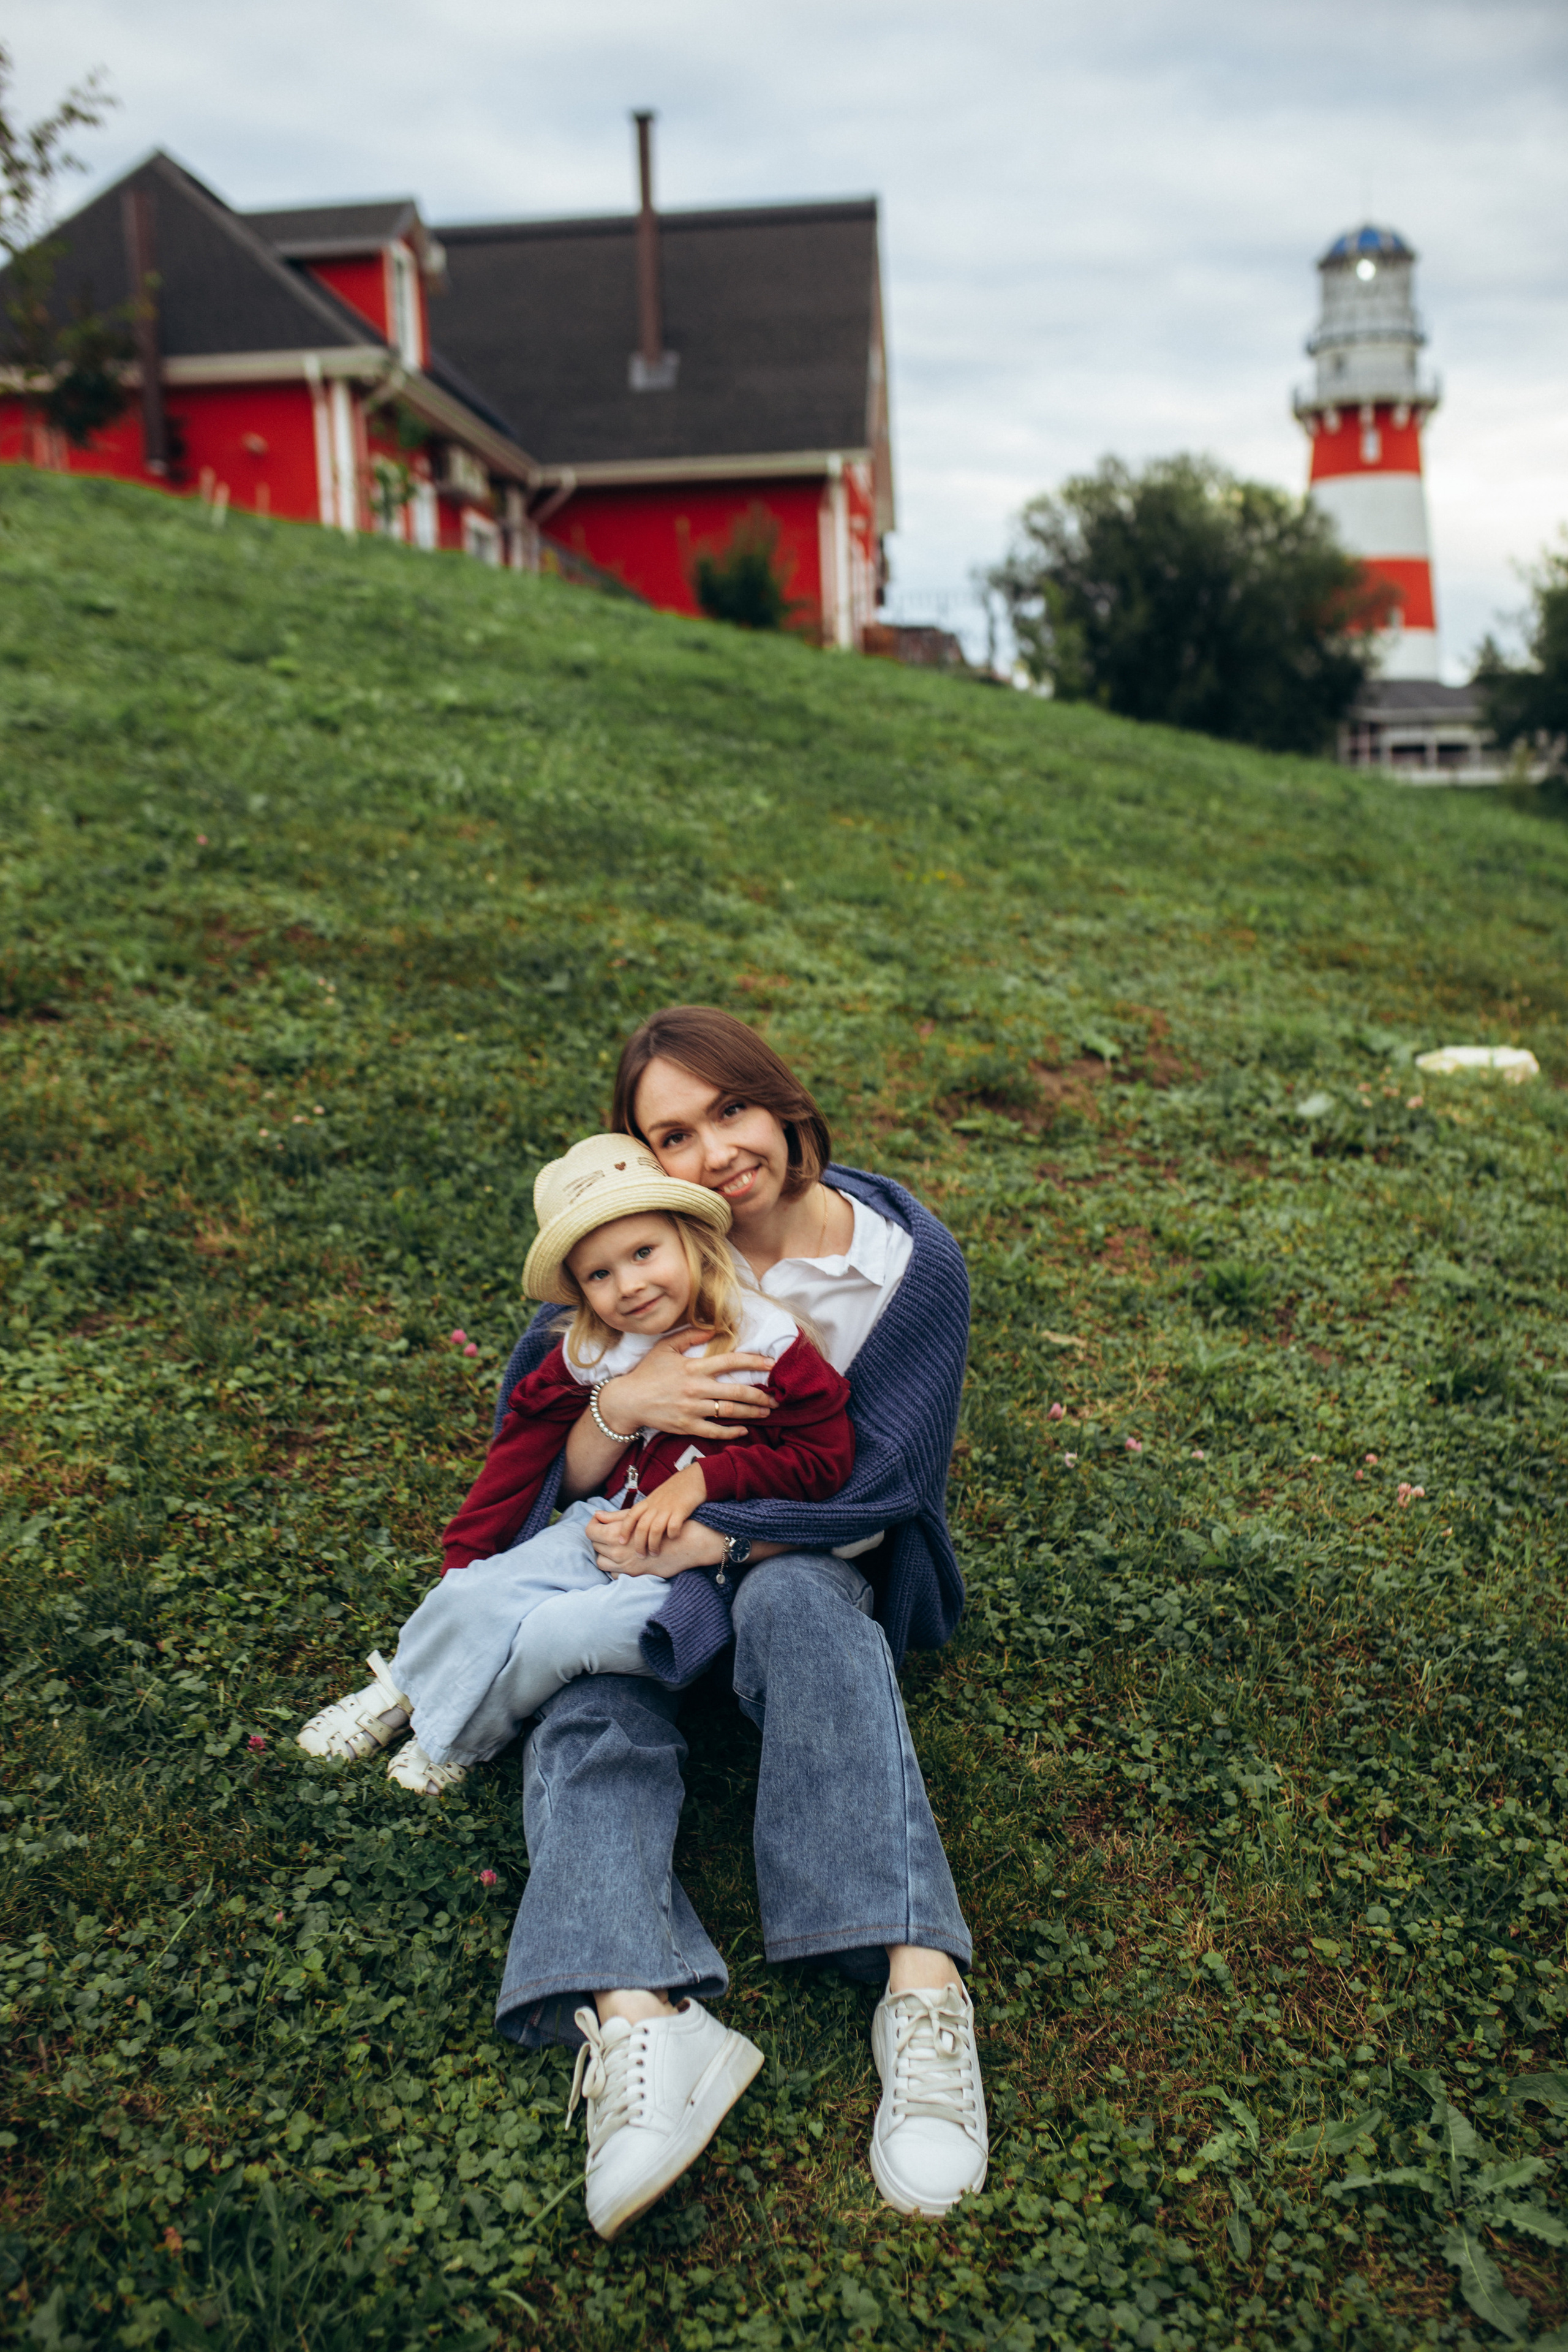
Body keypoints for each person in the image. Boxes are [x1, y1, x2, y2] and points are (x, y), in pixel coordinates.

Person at [491, 1006, 987, 2242]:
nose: (712, 1151)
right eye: (672, 1132)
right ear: (637, 1157)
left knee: (804, 1612)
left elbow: (882, 1490)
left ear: (779, 1103)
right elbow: (537, 1448)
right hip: (644, 1559)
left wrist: (725, 1530)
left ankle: (918, 1986)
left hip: (798, 1549)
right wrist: (624, 1412)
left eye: (729, 1112)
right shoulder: (634, 1256)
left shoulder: (901, 1268)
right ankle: (639, 2016)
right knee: (595, 1688)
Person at [296, 1133, 854, 1806]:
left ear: (689, 1241)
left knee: (558, 1634)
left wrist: (707, 1479)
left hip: (699, 1569)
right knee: (476, 1593)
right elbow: (521, 1449)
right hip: (600, 1525)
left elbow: (824, 1461)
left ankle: (456, 1741)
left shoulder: (767, 1342)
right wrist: (474, 1550)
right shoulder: (601, 1350)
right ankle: (396, 1693)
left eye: (644, 1253)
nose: (630, 1286)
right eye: (600, 1275)